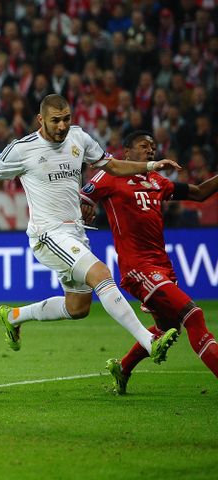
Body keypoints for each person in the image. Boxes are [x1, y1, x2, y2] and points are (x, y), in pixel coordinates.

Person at [0, 94, 180, 364]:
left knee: (77, 308)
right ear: (41, 119)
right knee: (101, 273)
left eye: (66, 119)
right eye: (55, 121)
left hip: (75, 233)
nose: (62, 126)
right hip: (48, 235)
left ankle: (14, 317)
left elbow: (111, 166)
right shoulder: (21, 149)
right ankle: (149, 341)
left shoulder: (79, 138)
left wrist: (149, 165)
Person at [80, 130, 218, 394]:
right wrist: (86, 205)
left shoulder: (157, 181)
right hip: (137, 267)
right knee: (194, 315)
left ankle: (123, 368)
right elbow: (83, 195)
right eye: (143, 146)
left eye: (152, 147)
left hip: (161, 265)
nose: (150, 150)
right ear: (127, 153)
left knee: (168, 328)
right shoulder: (111, 175)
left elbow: (199, 193)